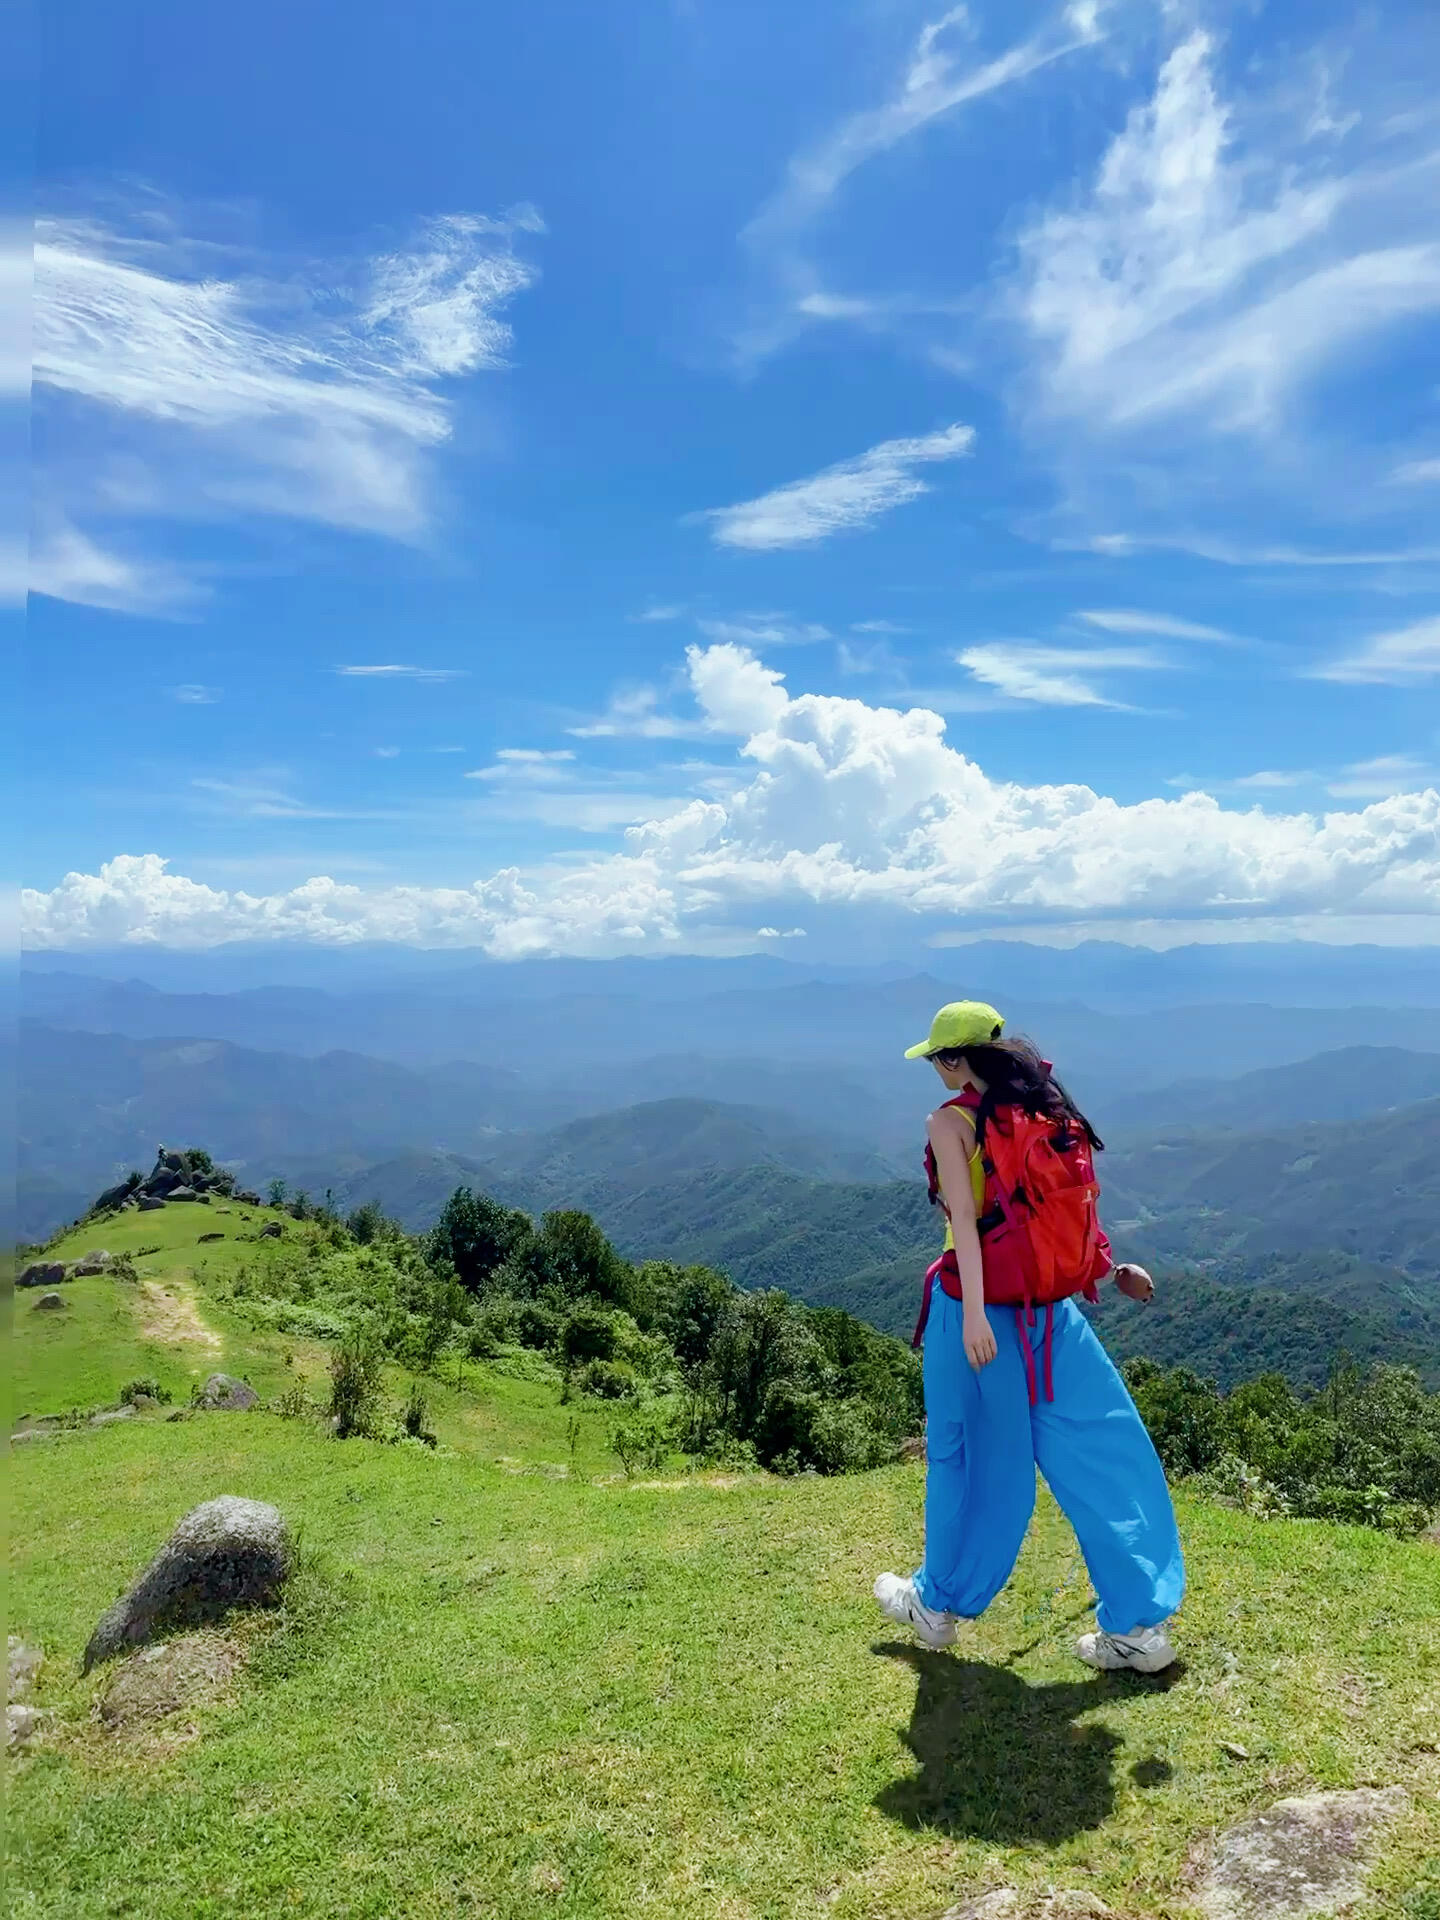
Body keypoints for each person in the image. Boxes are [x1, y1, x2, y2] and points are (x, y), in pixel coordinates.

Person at [873, 1000, 1185, 1674]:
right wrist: (1108, 1268)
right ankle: (1139, 1625)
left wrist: (975, 1314)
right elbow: (1062, 1212)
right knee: (1106, 1451)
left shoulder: (949, 1122)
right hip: (1050, 1312)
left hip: (978, 1314)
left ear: (953, 1059)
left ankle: (937, 1605)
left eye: (936, 1059)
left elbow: (963, 1217)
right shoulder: (1044, 1111)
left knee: (967, 1460)